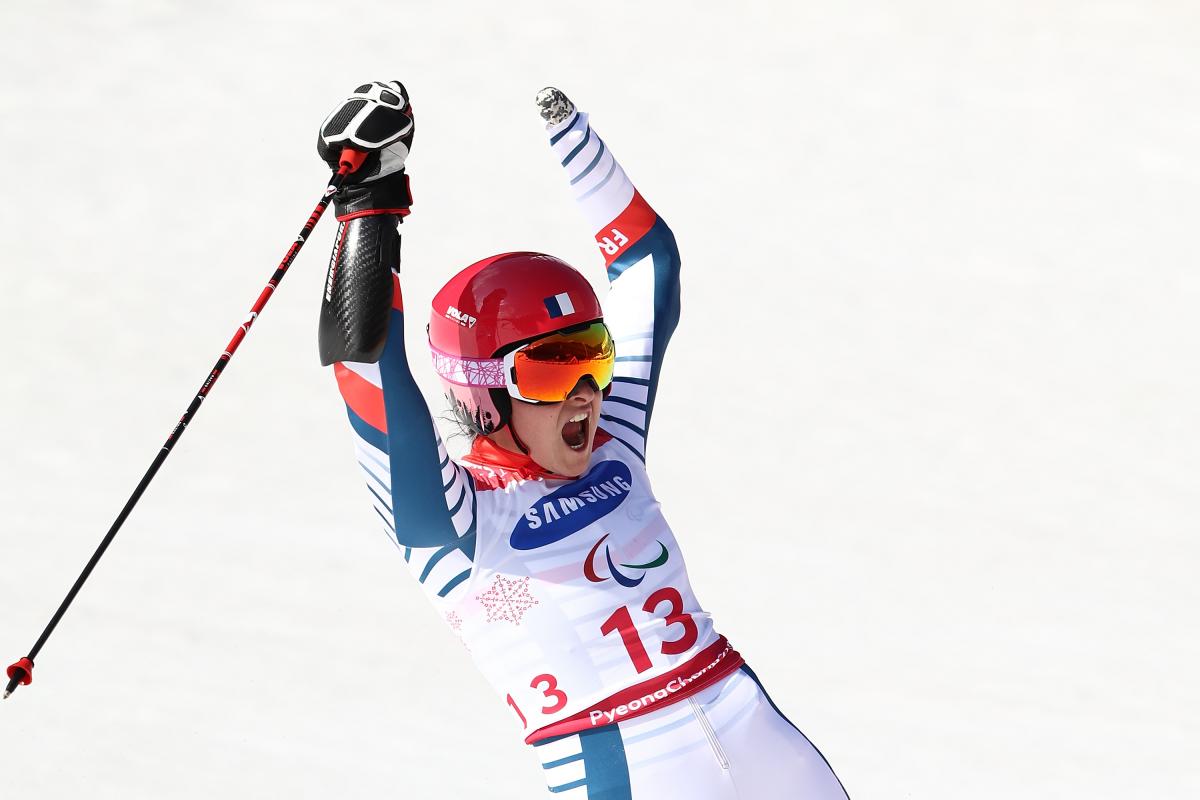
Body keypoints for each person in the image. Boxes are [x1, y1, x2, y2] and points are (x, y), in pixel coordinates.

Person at [315, 80, 849, 799]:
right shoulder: (459, 520)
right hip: (626, 767)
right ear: (484, 394)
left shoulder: (613, 445)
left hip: (754, 728)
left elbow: (648, 265)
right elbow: (371, 371)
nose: (587, 394)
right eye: (549, 369)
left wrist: (575, 139)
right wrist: (369, 207)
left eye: (593, 357)